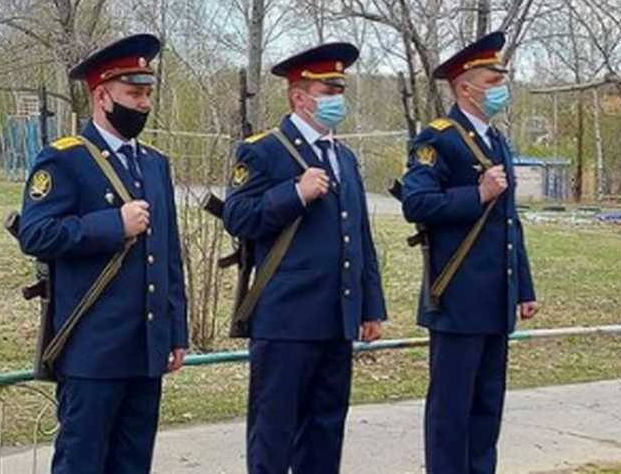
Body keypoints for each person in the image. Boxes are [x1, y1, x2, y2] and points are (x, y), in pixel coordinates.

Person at [17, 33, 188, 474]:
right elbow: (35, 233)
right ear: (101, 96)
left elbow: (168, 256)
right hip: (92, 350)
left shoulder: (153, 163)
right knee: (83, 464)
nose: (144, 103)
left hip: (144, 348)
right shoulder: (65, 159)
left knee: (133, 464)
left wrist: (174, 330)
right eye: (133, 93)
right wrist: (113, 225)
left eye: (147, 92)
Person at [222, 42, 387, 474]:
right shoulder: (264, 150)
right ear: (299, 96)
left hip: (336, 320)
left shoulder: (344, 157)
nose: (337, 99)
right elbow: (237, 217)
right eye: (328, 90)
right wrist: (293, 193)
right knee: (273, 436)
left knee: (325, 433)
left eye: (339, 90)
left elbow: (359, 239)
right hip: (286, 321)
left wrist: (370, 306)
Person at [400, 31, 539, 474]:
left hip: (496, 299)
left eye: (501, 79)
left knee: (486, 410)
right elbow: (415, 203)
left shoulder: (497, 140)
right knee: (450, 413)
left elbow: (509, 223)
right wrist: (475, 194)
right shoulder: (437, 140)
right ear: (465, 88)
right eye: (492, 80)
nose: (500, 88)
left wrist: (524, 286)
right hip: (457, 297)